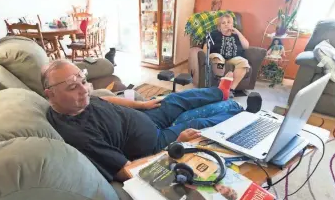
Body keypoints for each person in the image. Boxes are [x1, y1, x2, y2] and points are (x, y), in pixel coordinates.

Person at [43, 60, 260, 182]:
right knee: (195, 126)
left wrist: (143, 105)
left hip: (146, 117)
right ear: (49, 94)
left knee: (174, 98)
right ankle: (242, 114)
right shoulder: (78, 135)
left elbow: (105, 98)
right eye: (73, 87)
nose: (84, 90)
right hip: (154, 142)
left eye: (83, 81)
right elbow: (126, 170)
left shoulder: (80, 101)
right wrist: (172, 149)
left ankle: (223, 93)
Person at [209, 13, 250, 94]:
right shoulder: (214, 34)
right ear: (219, 26)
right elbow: (206, 48)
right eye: (223, 23)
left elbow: (246, 46)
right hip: (219, 57)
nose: (226, 24)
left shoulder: (236, 35)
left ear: (232, 24)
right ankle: (220, 86)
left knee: (244, 62)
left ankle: (230, 90)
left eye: (228, 22)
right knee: (218, 59)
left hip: (234, 58)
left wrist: (238, 32)